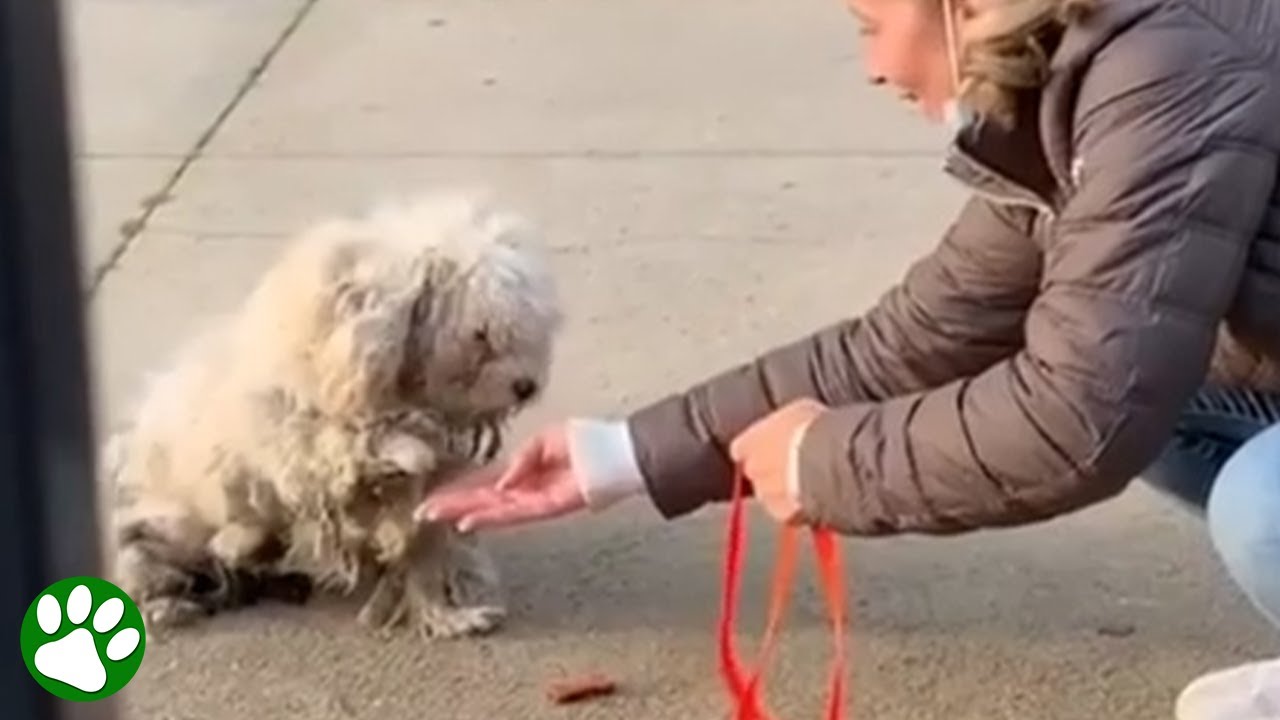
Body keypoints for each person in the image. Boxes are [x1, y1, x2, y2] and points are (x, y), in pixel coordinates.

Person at [418, 0, 1280, 716]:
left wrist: (817, 463)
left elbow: (1077, 420)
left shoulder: (1168, 73)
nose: (872, 67)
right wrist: (624, 454)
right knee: (1151, 367)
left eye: (872, 25)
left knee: (1260, 497)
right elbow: (917, 338)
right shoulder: (1092, 76)